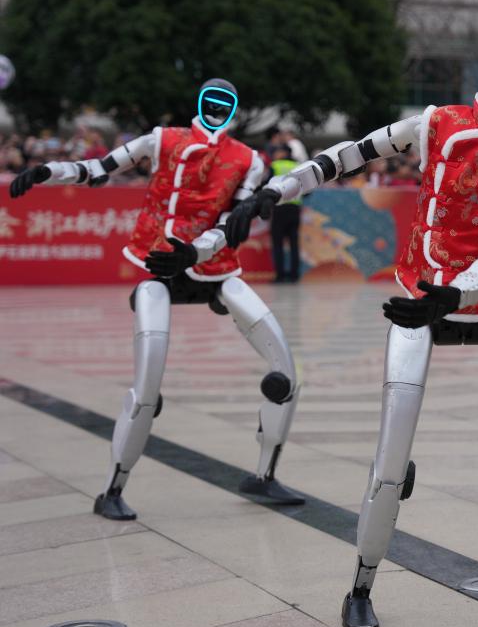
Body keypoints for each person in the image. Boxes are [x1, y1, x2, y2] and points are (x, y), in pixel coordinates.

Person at [226, 43, 478, 627]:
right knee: (391, 458)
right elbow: (351, 154)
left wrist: (459, 293)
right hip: (421, 294)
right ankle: (361, 584)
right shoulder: (435, 122)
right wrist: (274, 191)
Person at [9, 78, 305, 519]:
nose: (217, 110)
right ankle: (113, 488)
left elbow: (233, 218)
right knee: (147, 384)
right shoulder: (161, 140)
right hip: (160, 263)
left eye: (225, 103)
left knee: (285, 370)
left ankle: (264, 476)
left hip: (214, 267)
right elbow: (100, 168)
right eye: (212, 101)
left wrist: (200, 249)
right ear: (200, 102)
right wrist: (48, 172)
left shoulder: (246, 159)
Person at [269, 145, 302, 282]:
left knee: (278, 244)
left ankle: (280, 275)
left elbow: (267, 185)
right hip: (295, 208)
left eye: (277, 151)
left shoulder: (275, 165)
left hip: (280, 208)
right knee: (294, 244)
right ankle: (294, 275)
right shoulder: (298, 166)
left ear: (283, 152)